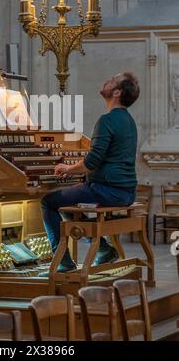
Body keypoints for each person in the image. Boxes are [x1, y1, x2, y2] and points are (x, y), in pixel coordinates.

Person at [39, 72, 140, 275]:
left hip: (107, 190)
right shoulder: (128, 120)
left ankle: (64, 262)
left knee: (48, 201)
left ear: (117, 92)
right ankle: (103, 249)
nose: (107, 80)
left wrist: (68, 169)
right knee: (66, 205)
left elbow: (92, 161)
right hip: (126, 191)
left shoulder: (107, 120)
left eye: (113, 80)